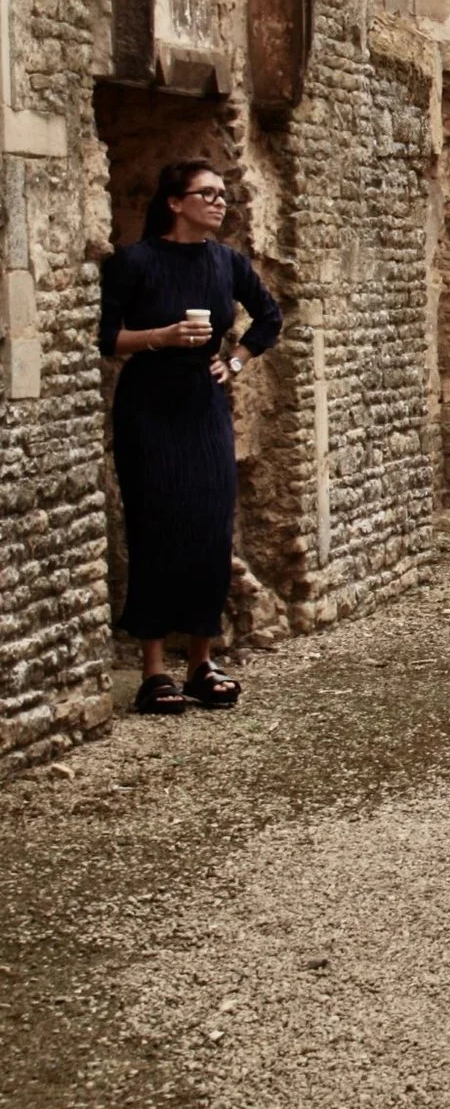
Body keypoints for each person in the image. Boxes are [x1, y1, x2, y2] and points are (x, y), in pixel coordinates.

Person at [97, 161, 283, 715]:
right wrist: (162, 335)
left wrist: (236, 361)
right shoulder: (134, 262)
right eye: (206, 194)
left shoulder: (227, 262)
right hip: (148, 404)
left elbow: (269, 317)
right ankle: (154, 671)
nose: (219, 203)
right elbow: (108, 337)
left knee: (208, 527)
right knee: (154, 526)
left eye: (222, 195)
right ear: (175, 203)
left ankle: (201, 661)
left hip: (203, 407)